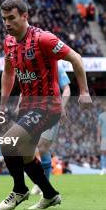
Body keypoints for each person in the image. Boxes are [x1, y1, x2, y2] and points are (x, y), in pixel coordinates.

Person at [0, 0, 91, 210]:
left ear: (24, 16)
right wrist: (3, 103)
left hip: (48, 106)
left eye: (11, 18)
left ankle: (20, 190)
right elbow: (8, 72)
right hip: (27, 107)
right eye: (4, 19)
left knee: (8, 142)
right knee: (28, 154)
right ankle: (50, 195)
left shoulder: (43, 39)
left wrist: (84, 91)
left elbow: (76, 58)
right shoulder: (9, 42)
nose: (7, 23)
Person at [30, 61, 71, 195]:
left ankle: (44, 185)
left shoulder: (56, 66)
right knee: (33, 148)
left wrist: (62, 106)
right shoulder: (32, 66)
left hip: (51, 111)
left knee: (43, 147)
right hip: (34, 111)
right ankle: (40, 182)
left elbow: (66, 89)